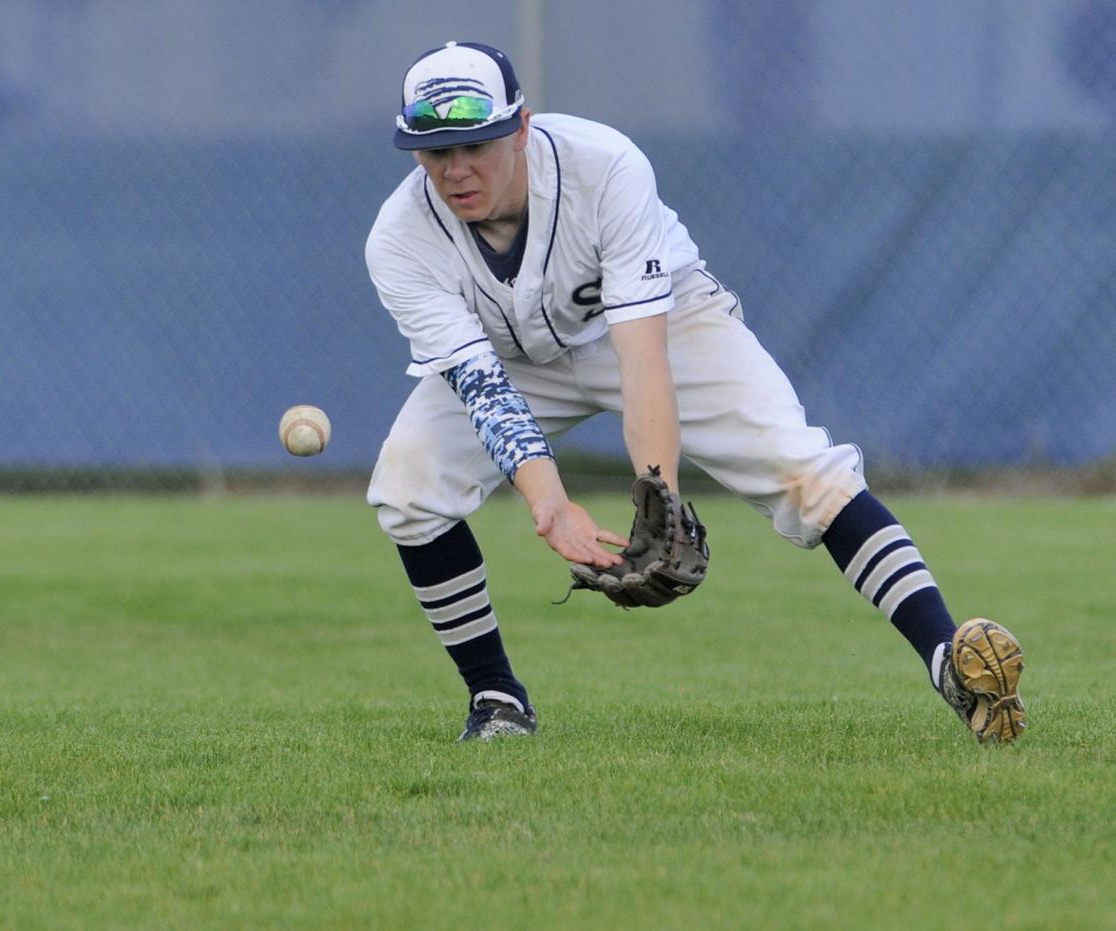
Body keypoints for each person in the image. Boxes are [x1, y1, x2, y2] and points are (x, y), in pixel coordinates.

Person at [364, 41, 1026, 743]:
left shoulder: (603, 167)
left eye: (476, 142)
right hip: (511, 359)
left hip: (664, 321)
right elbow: (484, 389)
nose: (456, 168)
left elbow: (643, 355)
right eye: (434, 152)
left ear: (521, 127)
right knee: (408, 486)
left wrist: (660, 493)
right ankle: (497, 700)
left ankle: (951, 663)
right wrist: (550, 506)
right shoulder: (400, 240)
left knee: (805, 471)